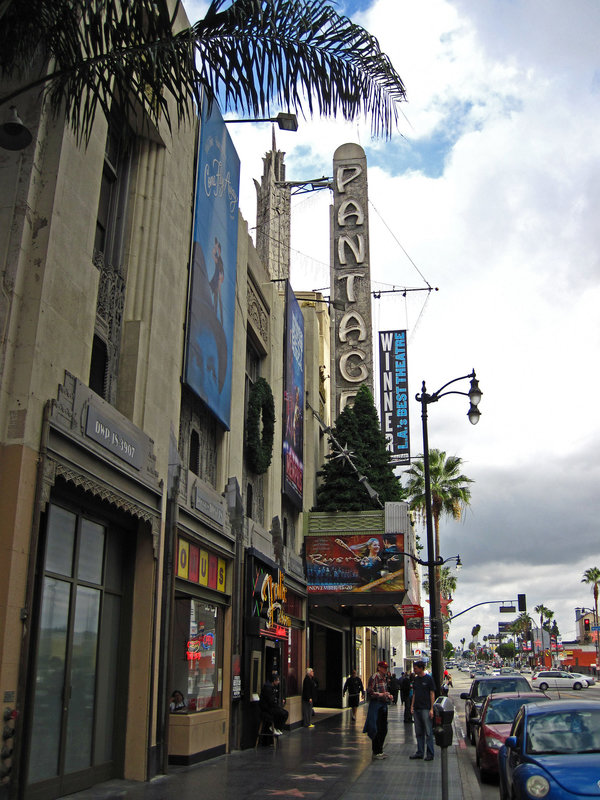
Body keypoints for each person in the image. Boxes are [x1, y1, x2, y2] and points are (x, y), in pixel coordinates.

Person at [363, 660, 393, 759]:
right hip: (376, 704)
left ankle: (379, 750)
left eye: (386, 668)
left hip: (383, 704)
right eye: (384, 667)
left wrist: (388, 695)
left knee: (383, 728)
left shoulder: (384, 678)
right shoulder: (374, 677)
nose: (385, 669)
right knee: (376, 727)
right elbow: (370, 691)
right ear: (379, 668)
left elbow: (384, 690)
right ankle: (376, 751)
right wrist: (381, 694)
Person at [410, 660, 436, 761]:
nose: (414, 670)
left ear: (421, 668)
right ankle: (420, 752)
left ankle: (430, 753)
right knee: (418, 732)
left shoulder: (429, 679)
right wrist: (412, 706)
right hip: (417, 708)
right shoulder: (416, 680)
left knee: (428, 732)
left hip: (426, 708)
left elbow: (432, 693)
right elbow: (414, 694)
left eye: (416, 668)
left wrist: (431, 708)